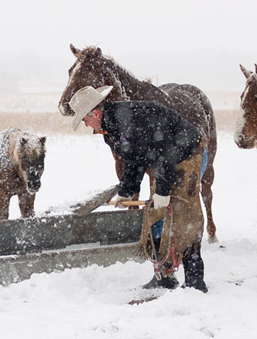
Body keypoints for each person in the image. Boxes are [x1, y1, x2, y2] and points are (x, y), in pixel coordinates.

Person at [69, 85, 208, 292]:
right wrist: (127, 190)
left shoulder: (131, 121)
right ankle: (164, 276)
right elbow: (134, 160)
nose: (85, 124)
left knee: (184, 215)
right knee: (155, 216)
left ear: (95, 113)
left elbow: (163, 153)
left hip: (187, 154)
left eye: (84, 119)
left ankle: (195, 280)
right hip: (164, 162)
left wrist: (162, 190)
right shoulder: (110, 129)